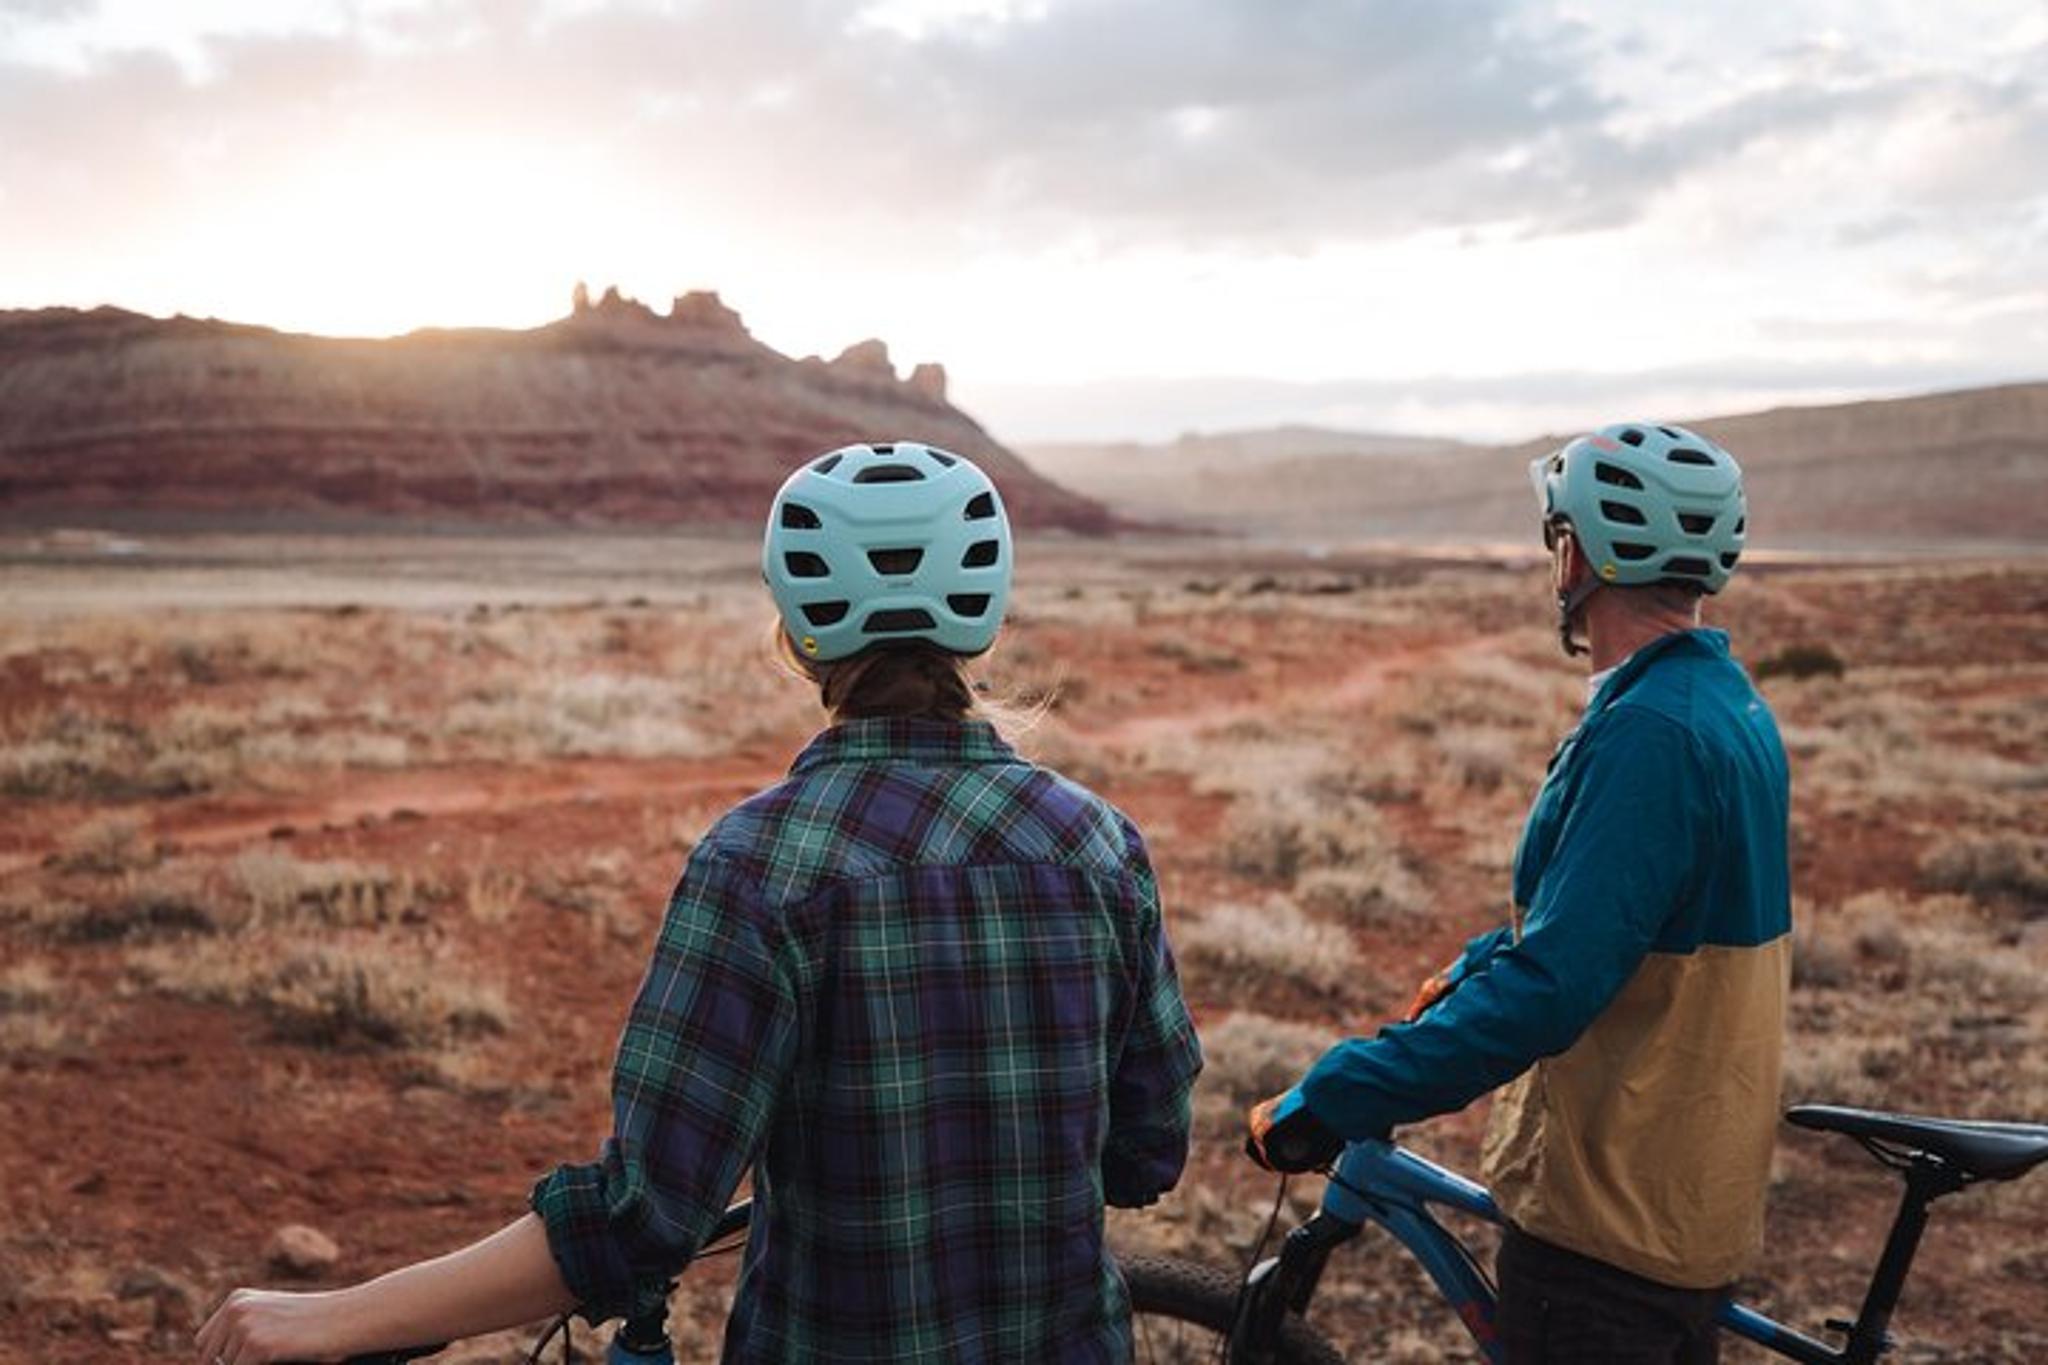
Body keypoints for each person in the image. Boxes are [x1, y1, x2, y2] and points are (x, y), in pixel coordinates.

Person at [198, 441, 1203, 1364]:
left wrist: (338, 1316)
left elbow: (640, 1219)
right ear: (985, 620)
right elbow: (1144, 1152)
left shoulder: (760, 864)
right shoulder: (1098, 846)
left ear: (796, 633)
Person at [1246, 422, 1790, 1364]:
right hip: (1680, 1186)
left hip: (1611, 1221)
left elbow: (1553, 989)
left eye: (1557, 537)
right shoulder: (1721, 703)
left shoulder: (1650, 735)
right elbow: (1621, 926)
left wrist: (1343, 1088)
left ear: (1577, 551)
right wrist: (1475, 965)